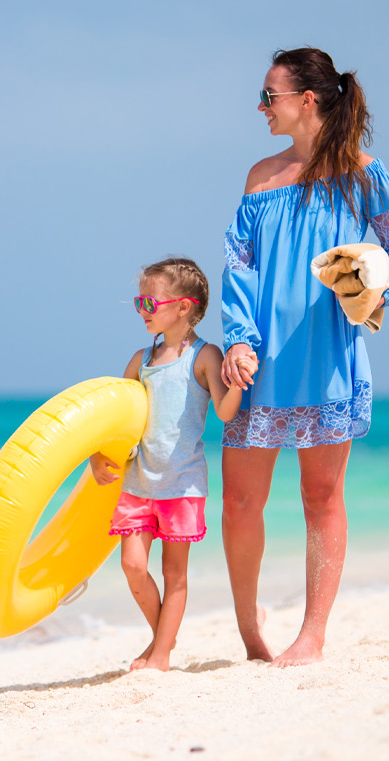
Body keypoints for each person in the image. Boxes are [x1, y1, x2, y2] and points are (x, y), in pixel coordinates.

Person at [219, 48, 389, 667]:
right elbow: (239, 269)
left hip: (327, 357)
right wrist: (237, 339)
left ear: (308, 100)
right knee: (238, 502)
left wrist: (374, 285)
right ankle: (251, 634)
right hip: (257, 364)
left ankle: (312, 635)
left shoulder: (365, 175)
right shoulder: (260, 178)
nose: (260, 107)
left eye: (269, 96)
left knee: (321, 498)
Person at [89, 258, 246, 672]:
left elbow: (225, 411)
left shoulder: (205, 355)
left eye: (148, 302)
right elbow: (113, 418)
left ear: (182, 307)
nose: (141, 310)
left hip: (182, 484)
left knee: (174, 575)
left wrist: (242, 382)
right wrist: (96, 456)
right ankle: (163, 643)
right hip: (139, 481)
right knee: (133, 566)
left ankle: (159, 654)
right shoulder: (141, 359)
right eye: (138, 302)